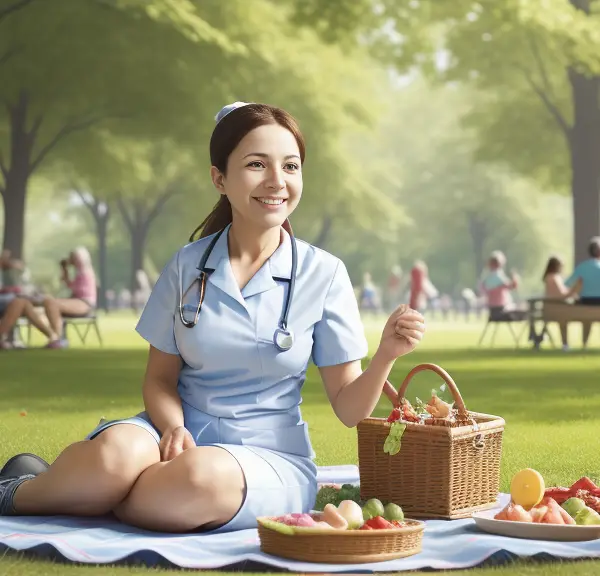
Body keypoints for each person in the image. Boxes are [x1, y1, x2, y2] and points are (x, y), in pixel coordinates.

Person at [0, 102, 426, 532]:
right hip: (174, 434)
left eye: (291, 166)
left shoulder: (324, 274)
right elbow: (160, 379)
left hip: (267, 456)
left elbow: (350, 409)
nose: (277, 181)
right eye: (257, 164)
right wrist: (173, 428)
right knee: (115, 457)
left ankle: (92, 493)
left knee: (199, 479)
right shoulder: (188, 265)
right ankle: (18, 490)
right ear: (219, 178)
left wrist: (387, 354)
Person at [0, 247, 97, 349]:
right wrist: (64, 269)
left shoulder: (84, 272)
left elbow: (74, 288)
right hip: (76, 300)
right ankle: (55, 337)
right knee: (45, 302)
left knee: (48, 302)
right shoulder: (79, 273)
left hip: (84, 302)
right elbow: (68, 284)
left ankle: (56, 337)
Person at [564, 237, 600, 348]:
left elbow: (568, 284)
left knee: (586, 322)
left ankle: (584, 343)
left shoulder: (582, 267)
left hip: (584, 304)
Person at [542, 255, 580, 350]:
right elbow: (561, 295)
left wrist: (572, 292)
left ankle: (565, 343)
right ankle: (565, 344)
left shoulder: (551, 277)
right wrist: (574, 290)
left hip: (553, 307)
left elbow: (562, 292)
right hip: (555, 307)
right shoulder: (553, 278)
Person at [479, 251, 526, 321]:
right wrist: (515, 277)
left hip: (492, 311)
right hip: (502, 311)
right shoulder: (498, 277)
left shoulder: (486, 277)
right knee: (526, 312)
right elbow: (513, 286)